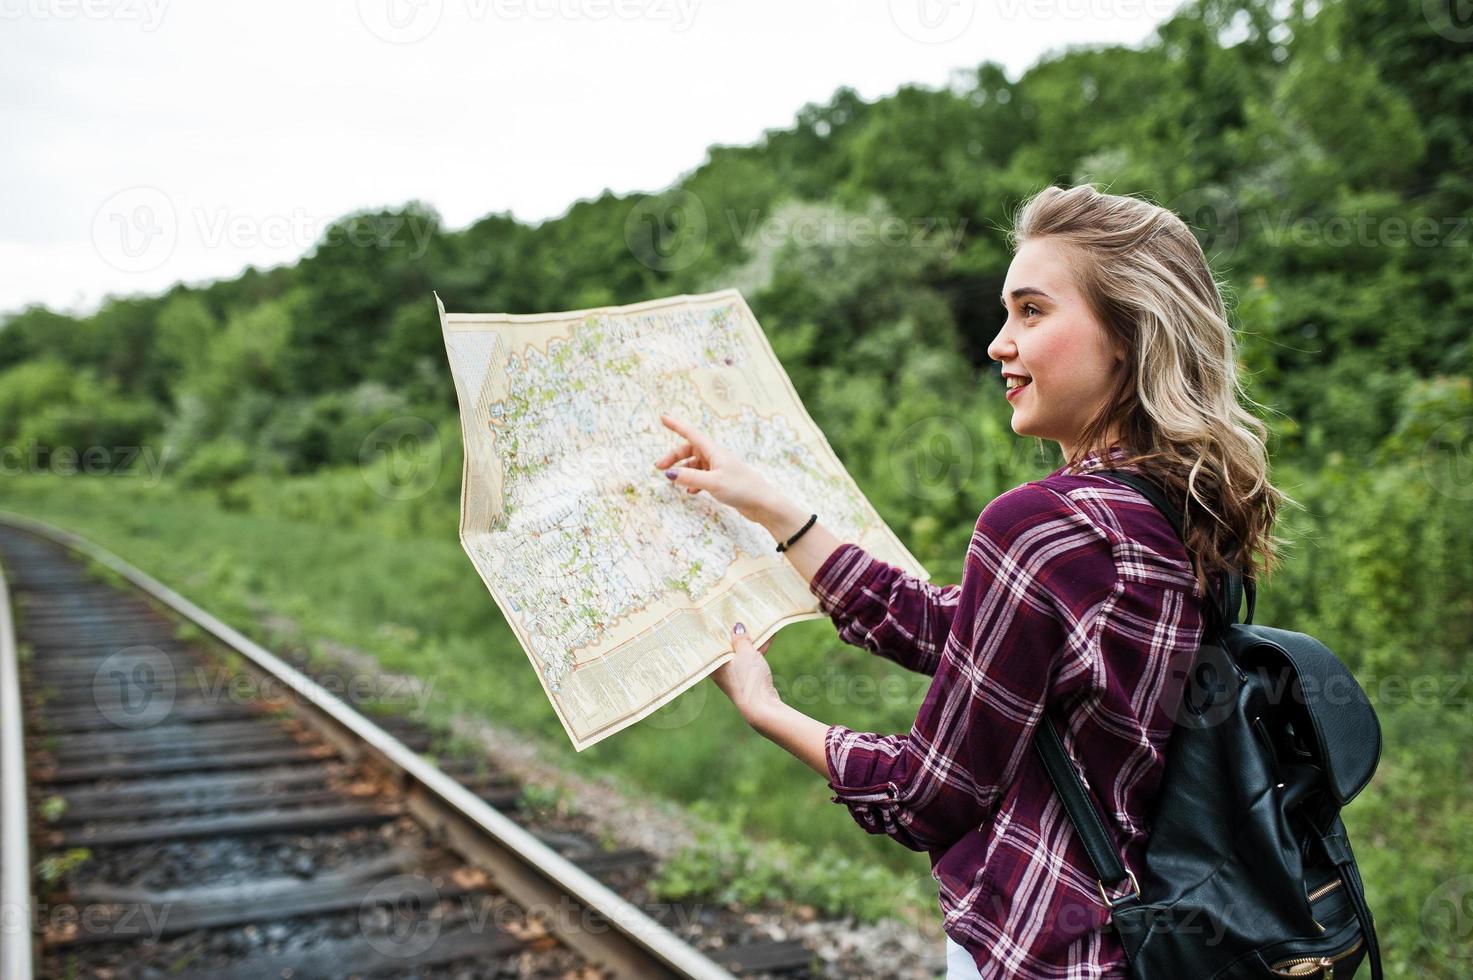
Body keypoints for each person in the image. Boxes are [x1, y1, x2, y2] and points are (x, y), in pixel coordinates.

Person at [651, 183, 1287, 978]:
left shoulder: (1040, 525)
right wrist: (776, 510)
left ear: (1125, 336)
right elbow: (964, 634)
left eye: (1030, 311)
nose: (998, 343)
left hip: (1040, 956)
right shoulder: (1177, 508)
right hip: (1144, 945)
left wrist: (764, 708)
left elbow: (929, 794)